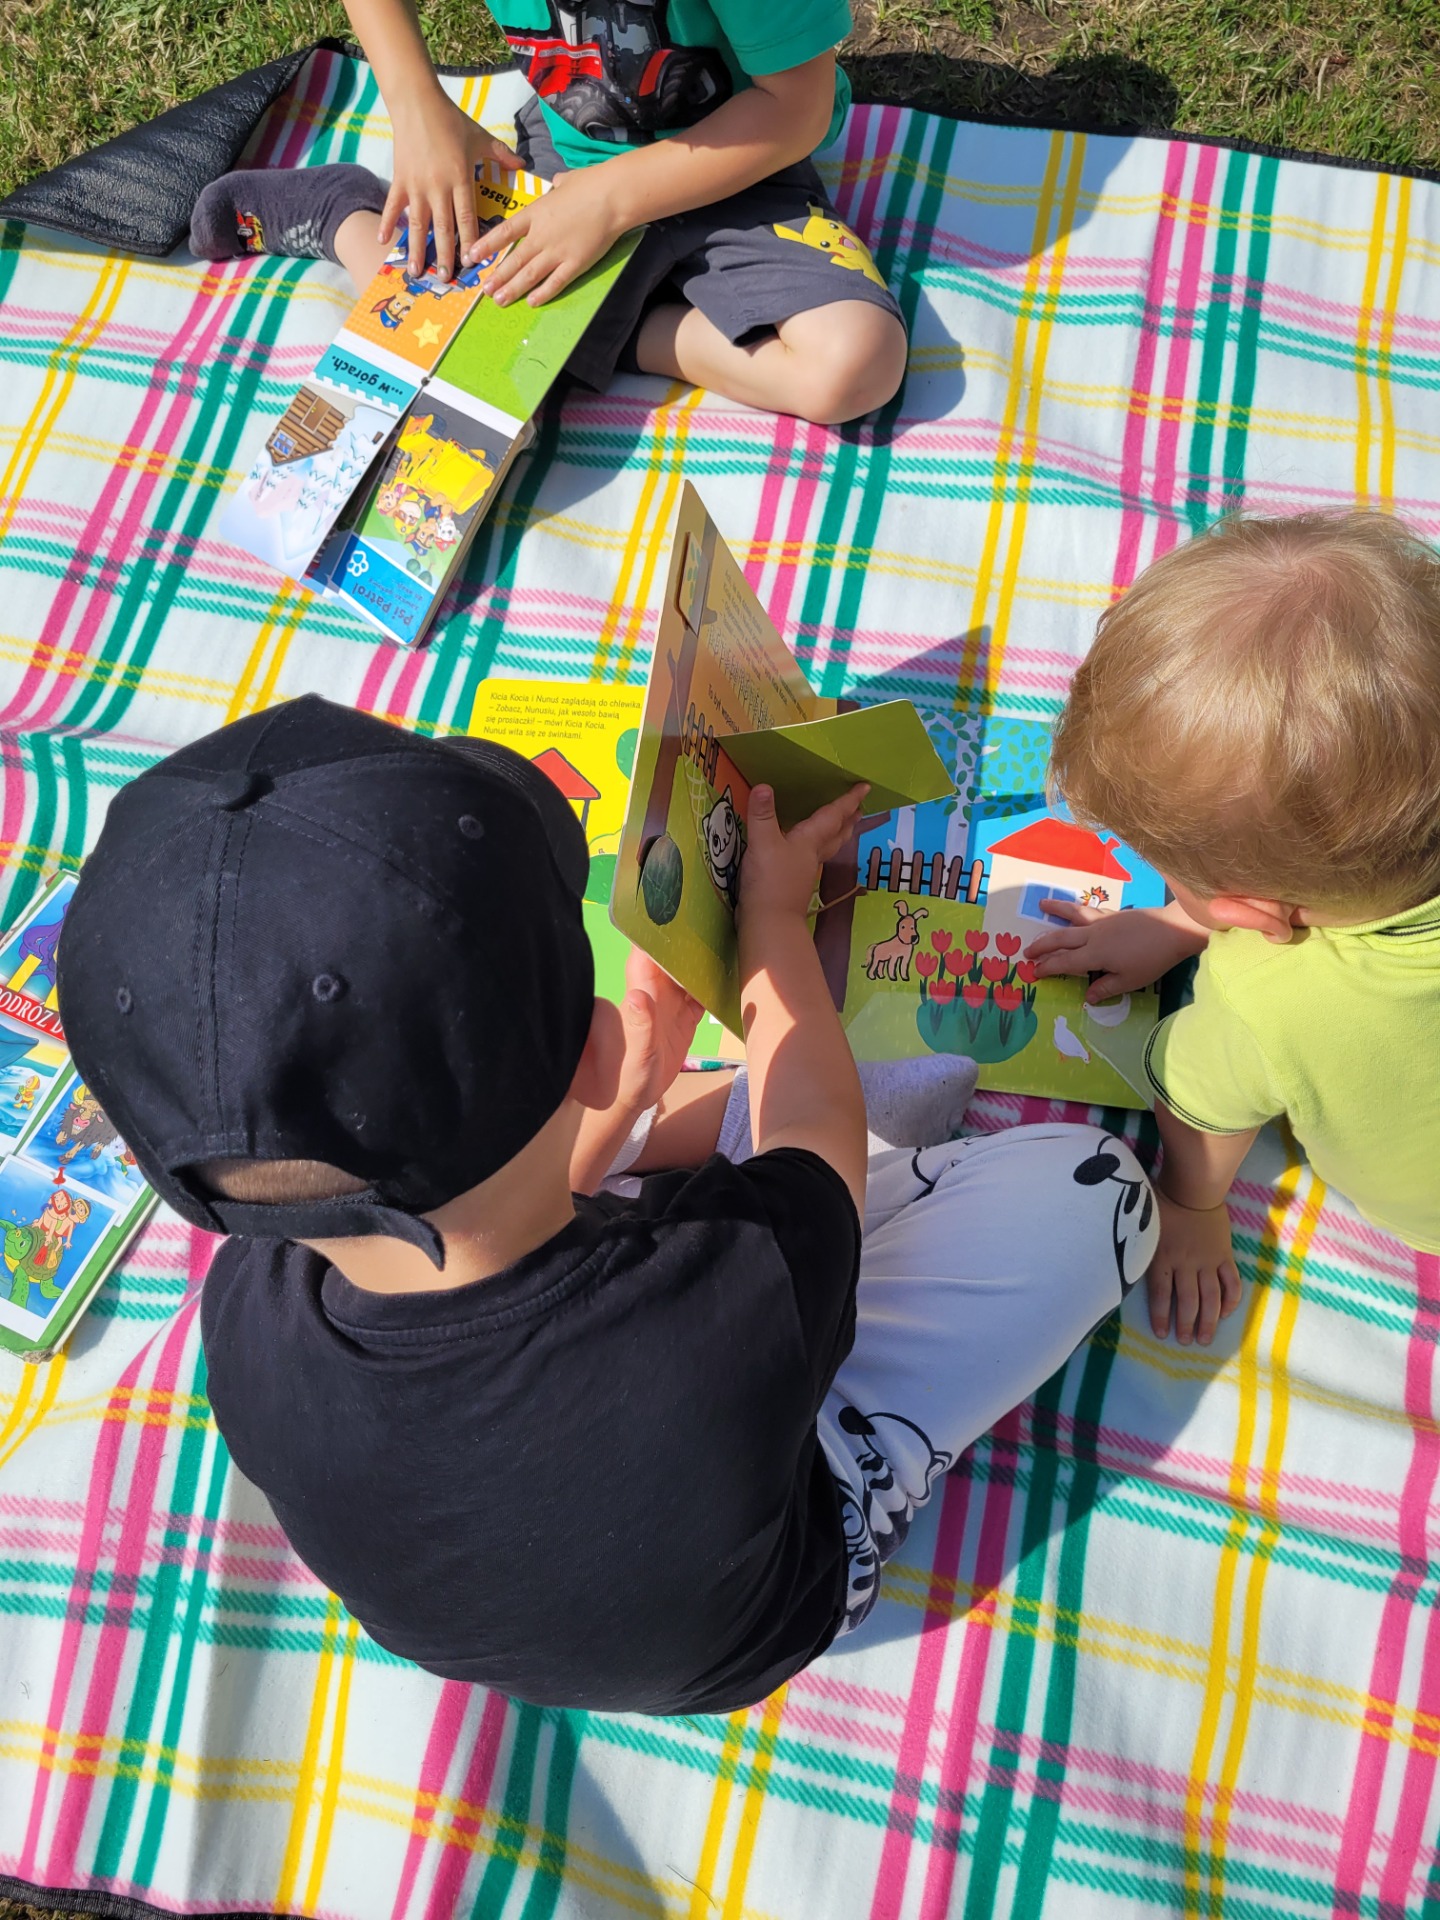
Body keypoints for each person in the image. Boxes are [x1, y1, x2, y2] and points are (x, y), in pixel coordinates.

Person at [56, 696, 1156, 1714]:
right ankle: (857, 1374)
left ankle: (697, 1141)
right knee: (1097, 1191)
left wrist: (622, 1105)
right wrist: (774, 922)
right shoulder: (721, 1309)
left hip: (566, 1560)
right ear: (594, 1047)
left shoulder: (243, 1316)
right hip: (779, 1577)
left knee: (726, 1155)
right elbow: (815, 1135)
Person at [1026, 511, 1440, 1350]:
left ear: (1250, 917)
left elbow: (1197, 1107)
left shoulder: (1264, 1000)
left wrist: (1190, 1203)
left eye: (1177, 877)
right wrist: (1185, 919)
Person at [186, 0, 909, 426]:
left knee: (855, 364)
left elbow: (798, 108)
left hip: (738, 163)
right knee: (461, 379)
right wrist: (416, 106)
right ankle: (345, 215)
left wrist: (610, 202)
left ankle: (588, 332)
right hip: (573, 154)